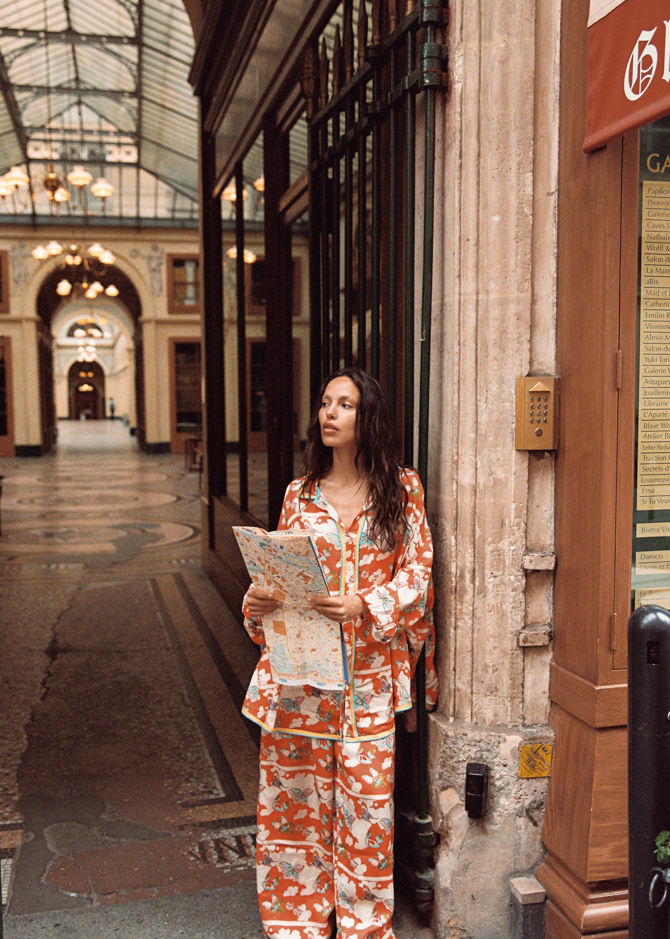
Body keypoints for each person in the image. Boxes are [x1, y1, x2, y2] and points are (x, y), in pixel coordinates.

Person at [242, 367, 436, 939]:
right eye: (325, 403)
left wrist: (366, 604)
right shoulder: (297, 495)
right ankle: (296, 919)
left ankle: (363, 923)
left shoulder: (403, 490)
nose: (329, 413)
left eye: (344, 405)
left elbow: (419, 574)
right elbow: (278, 574)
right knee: (294, 801)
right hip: (302, 679)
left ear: (367, 417)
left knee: (368, 812)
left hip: (372, 680)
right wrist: (259, 596)